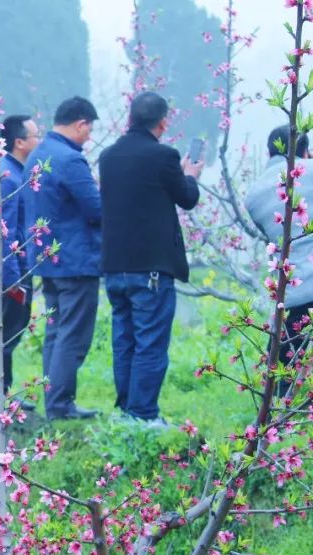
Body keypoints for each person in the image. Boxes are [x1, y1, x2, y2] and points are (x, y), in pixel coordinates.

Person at [99, 92, 202, 425]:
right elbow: (186, 198)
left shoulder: (108, 156)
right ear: (163, 122)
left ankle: (128, 410)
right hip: (151, 270)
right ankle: (143, 414)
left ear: (130, 117)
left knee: (124, 339)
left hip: (115, 266)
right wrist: (190, 174)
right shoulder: (164, 156)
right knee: (150, 342)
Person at [24, 96, 102, 419]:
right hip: (76, 260)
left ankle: (54, 402)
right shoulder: (71, 160)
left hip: (48, 258)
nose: (89, 137)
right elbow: (96, 209)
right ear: (80, 124)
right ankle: (61, 405)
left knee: (56, 330)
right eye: (89, 130)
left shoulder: (37, 155)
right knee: (73, 333)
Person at [244, 125, 313, 393]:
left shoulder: (254, 193)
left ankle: (276, 409)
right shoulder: (307, 172)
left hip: (290, 286)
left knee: (285, 354)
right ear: (304, 150)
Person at [0, 115, 41, 409]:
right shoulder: (8, 177)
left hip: (17, 266)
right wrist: (13, 278)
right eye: (35, 136)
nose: (39, 141)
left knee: (11, 329)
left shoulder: (17, 173)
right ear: (19, 142)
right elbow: (2, 232)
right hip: (11, 269)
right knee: (9, 330)